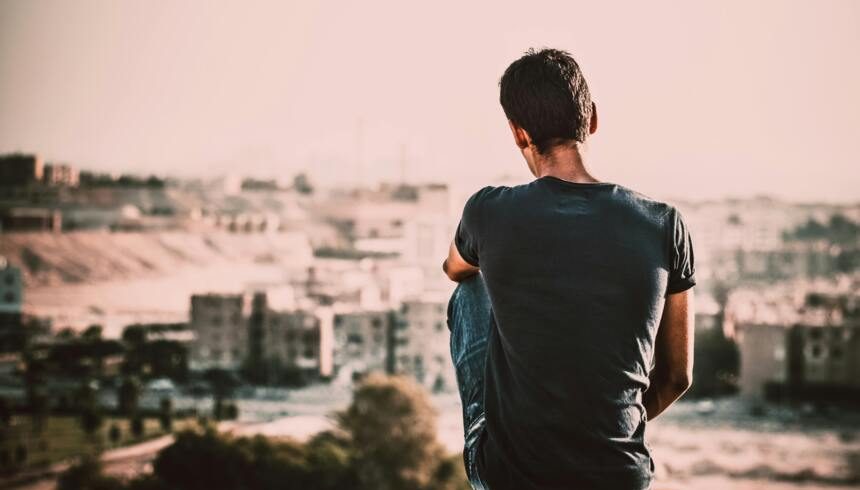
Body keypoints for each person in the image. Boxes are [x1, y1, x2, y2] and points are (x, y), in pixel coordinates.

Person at [444, 48, 696, 490]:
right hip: (618, 475)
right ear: (592, 119)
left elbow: (453, 268)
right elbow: (677, 377)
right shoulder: (664, 224)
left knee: (471, 289)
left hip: (514, 476)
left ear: (519, 133)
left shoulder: (490, 211)